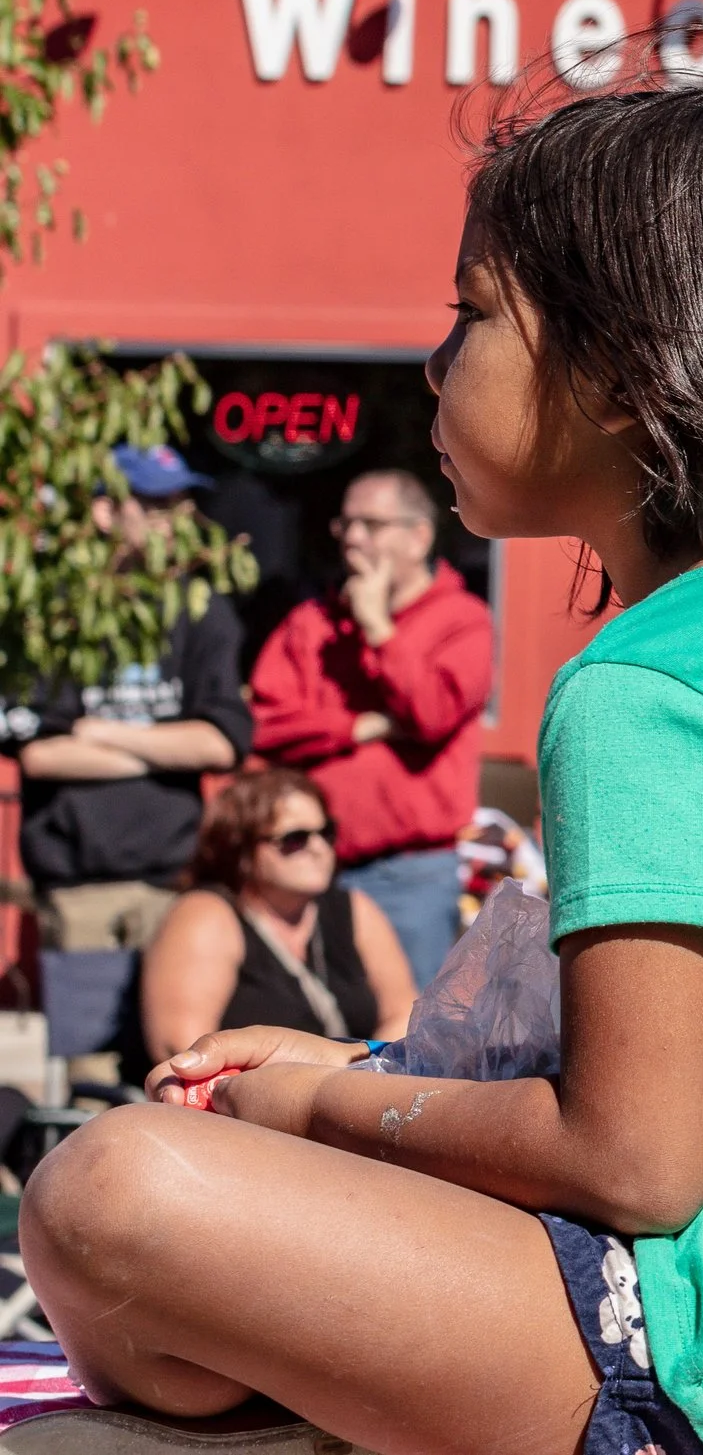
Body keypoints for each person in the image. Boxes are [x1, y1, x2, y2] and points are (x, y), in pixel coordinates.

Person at [23, 83, 703, 1455]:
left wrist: (317, 1102)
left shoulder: (659, 677)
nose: (434, 363)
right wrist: (360, 1068)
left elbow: (634, 1163)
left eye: (473, 312)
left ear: (626, 374)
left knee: (107, 1193)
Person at [246, 467, 493, 986]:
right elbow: (263, 724)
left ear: (419, 536)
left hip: (409, 874)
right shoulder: (311, 623)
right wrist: (357, 727)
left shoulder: (461, 620)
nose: (353, 538)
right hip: (304, 862)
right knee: (314, 1034)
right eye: (346, 525)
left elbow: (431, 714)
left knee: (404, 1040)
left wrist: (379, 629)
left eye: (371, 524)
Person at [7, 446, 251, 970]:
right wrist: (170, 748)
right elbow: (41, 754)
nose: (175, 518)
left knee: (175, 1049)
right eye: (156, 502)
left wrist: (100, 732)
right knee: (91, 1053)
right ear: (104, 512)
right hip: (79, 887)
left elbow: (223, 743)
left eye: (180, 502)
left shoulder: (202, 608)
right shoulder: (57, 615)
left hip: (175, 880)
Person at [140, 768, 414, 1065]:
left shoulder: (354, 908)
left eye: (326, 833)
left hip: (350, 1092)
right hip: (239, 1102)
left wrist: (368, 1074)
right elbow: (183, 1051)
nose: (319, 848)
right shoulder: (206, 915)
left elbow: (402, 1013)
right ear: (240, 847)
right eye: (294, 839)